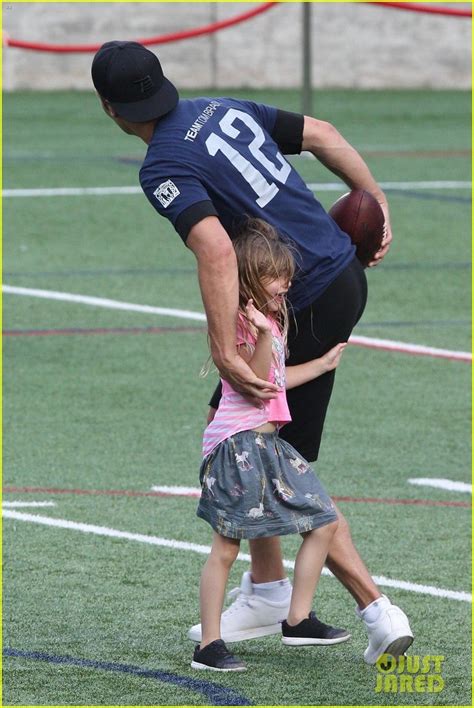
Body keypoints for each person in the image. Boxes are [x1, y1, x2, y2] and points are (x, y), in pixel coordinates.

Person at [91, 40, 413, 665]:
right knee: (248, 444)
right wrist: (374, 203)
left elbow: (214, 250)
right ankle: (268, 593)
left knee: (259, 453)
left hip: (301, 300)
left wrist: (224, 350)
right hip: (336, 278)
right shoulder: (221, 106)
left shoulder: (161, 164)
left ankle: (377, 610)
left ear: (109, 108)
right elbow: (321, 132)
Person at [192, 219, 350, 671]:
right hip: (235, 446)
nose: (285, 284)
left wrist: (321, 365)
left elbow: (278, 384)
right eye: (273, 277)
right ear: (247, 281)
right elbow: (257, 384)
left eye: (285, 274)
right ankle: (208, 645)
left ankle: (297, 619)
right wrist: (263, 333)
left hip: (267, 445)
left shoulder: (271, 322)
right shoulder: (239, 323)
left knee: (322, 521)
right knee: (226, 547)